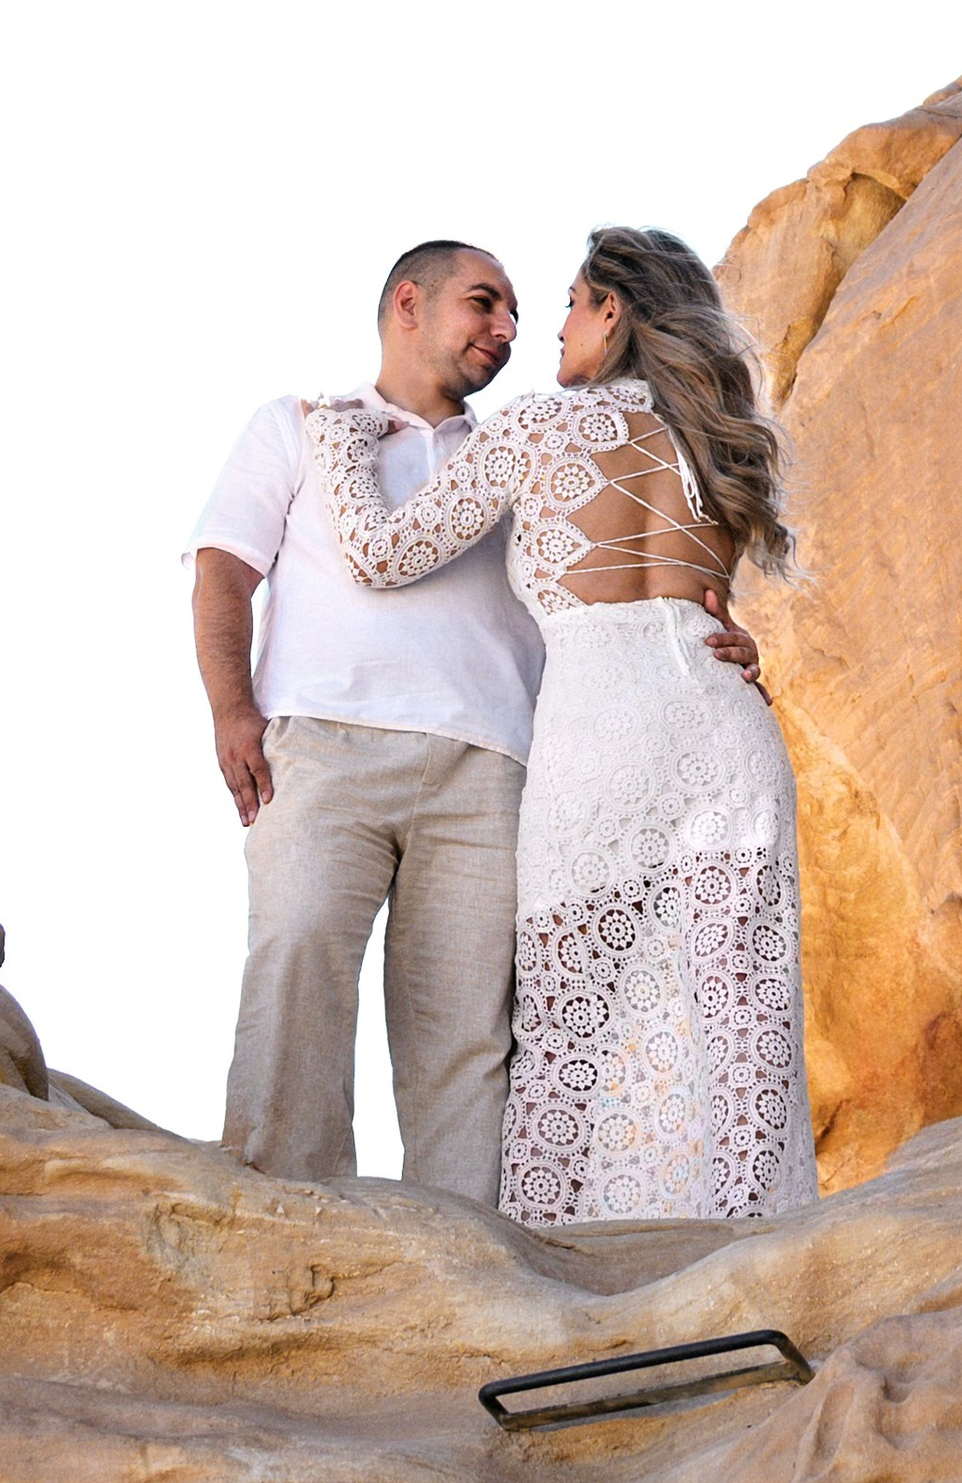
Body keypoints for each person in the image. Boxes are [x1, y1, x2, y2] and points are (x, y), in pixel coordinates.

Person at [193, 238, 758, 1204]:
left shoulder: (520, 449)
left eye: (516, 313)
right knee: (296, 963)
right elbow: (223, 569)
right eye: (483, 303)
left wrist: (721, 629)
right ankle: (282, 1223)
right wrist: (231, 708)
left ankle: (460, 1263)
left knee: (469, 1033)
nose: (506, 330)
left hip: (494, 765)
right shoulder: (298, 425)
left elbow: (610, 579)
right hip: (324, 747)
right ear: (408, 303)